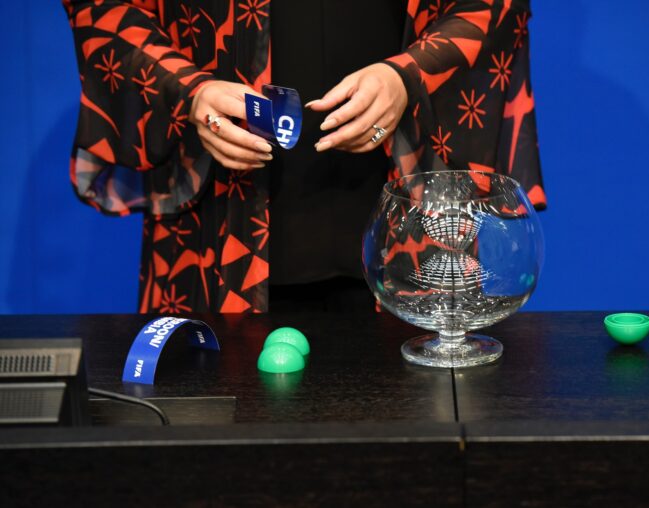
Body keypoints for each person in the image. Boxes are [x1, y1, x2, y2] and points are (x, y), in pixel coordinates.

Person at [62, 0, 546, 313]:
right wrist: (186, 90)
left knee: (419, 450)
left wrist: (411, 75)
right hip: (221, 223)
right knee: (210, 437)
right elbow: (104, 9)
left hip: (409, 214)